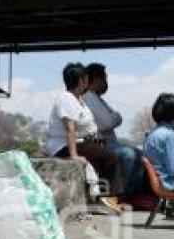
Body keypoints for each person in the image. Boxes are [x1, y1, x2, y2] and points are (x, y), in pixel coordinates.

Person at [46, 62, 123, 213]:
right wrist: (74, 155)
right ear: (81, 80)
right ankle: (109, 196)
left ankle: (98, 198)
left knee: (100, 155)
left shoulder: (78, 99)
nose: (87, 83)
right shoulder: (66, 98)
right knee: (111, 157)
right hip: (64, 146)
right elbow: (70, 128)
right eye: (86, 79)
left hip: (80, 143)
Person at [81, 63, 143, 199]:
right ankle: (119, 197)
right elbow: (108, 122)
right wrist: (116, 116)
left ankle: (131, 196)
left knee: (139, 154)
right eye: (105, 79)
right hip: (100, 143)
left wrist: (114, 116)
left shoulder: (96, 98)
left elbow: (110, 119)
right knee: (129, 155)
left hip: (107, 141)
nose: (106, 83)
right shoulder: (89, 97)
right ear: (97, 79)